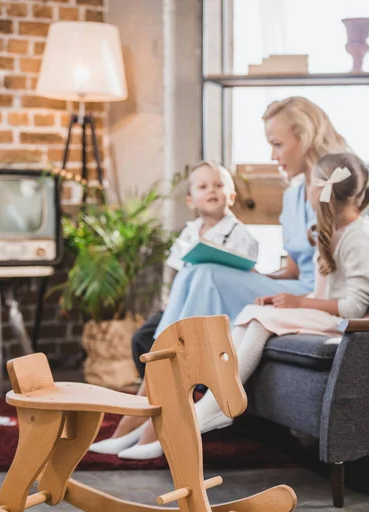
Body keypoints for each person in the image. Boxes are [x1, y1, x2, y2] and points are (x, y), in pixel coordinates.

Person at [91, 96, 348, 460]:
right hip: (290, 283)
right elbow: (291, 267)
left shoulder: (331, 188)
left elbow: (335, 269)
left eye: (277, 144)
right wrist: (248, 275)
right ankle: (146, 406)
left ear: (304, 138)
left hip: (312, 295)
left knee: (205, 272)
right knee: (200, 268)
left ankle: (150, 416)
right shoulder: (293, 194)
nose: (273, 155)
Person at [89, 160, 259, 455]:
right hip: (189, 305)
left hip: (220, 308)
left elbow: (241, 276)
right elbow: (178, 273)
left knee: (176, 336)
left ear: (232, 196)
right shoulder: (190, 232)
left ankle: (149, 422)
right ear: (191, 200)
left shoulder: (241, 235)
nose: (213, 191)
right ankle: (143, 415)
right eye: (204, 186)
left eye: (219, 186)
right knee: (145, 337)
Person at [196, 152, 369, 430]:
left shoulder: (357, 237)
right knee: (255, 311)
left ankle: (220, 405)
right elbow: (325, 290)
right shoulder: (331, 230)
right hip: (326, 315)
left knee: (260, 320)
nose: (305, 190)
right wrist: (284, 301)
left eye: (310, 183)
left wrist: (299, 302)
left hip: (342, 323)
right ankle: (216, 402)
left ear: (323, 190)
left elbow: (354, 308)